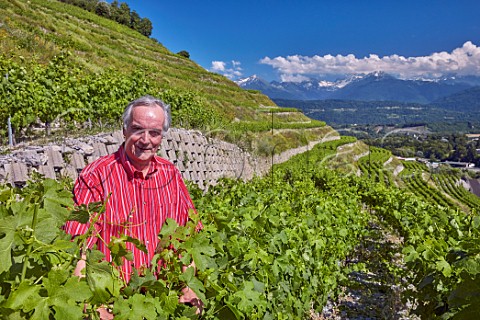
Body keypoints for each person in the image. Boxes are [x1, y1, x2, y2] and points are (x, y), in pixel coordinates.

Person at [64, 95, 202, 315]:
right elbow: (80, 249)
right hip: (114, 301)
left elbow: (185, 238)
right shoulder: (96, 175)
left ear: (162, 137)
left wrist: (189, 287)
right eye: (138, 129)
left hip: (162, 299)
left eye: (154, 133)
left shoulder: (171, 174)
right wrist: (93, 305)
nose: (145, 139)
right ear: (124, 131)